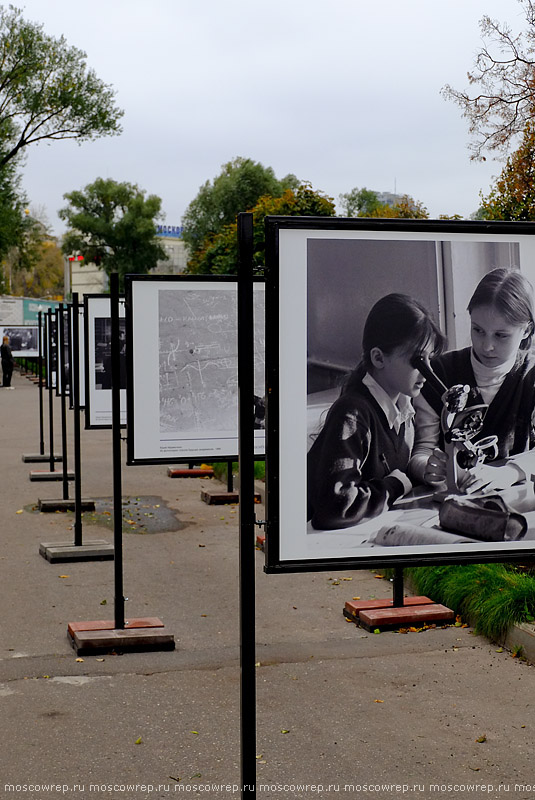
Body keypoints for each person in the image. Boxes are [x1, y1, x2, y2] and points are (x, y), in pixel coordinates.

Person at [307, 293, 446, 530]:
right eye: (418, 361)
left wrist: (421, 473)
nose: (426, 372)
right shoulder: (352, 414)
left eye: (429, 359)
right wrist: (395, 485)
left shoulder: (404, 412)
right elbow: (336, 507)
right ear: (379, 358)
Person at [410, 267, 535, 493]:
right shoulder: (438, 372)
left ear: (526, 331)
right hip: (448, 501)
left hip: (515, 500)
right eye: (478, 330)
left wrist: (510, 472)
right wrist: (427, 469)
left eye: (501, 335)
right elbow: (422, 450)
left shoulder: (531, 376)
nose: (487, 346)